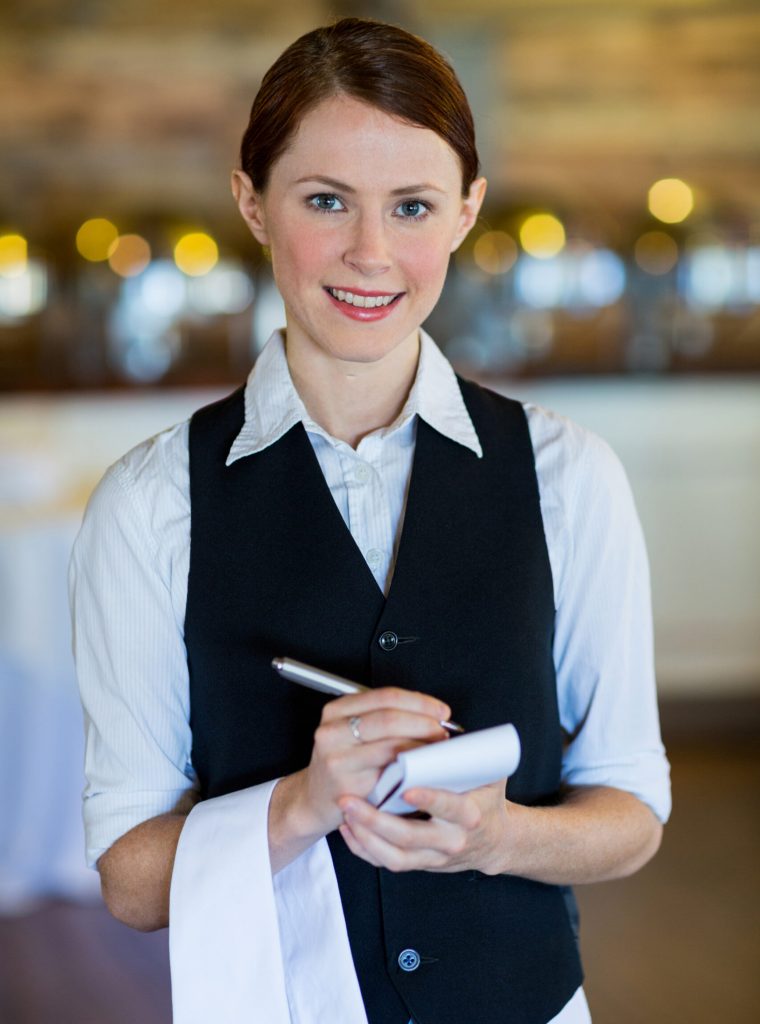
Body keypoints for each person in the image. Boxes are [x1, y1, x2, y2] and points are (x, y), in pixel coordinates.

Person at [70, 17, 671, 1024]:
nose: (369, 252)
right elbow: (131, 881)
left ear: (467, 210)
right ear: (251, 202)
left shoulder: (570, 478)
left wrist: (497, 837)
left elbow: (631, 814)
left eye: (412, 205)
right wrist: (301, 804)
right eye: (323, 200)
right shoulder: (149, 503)